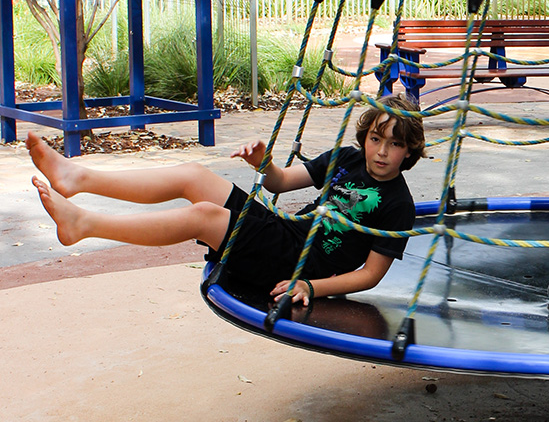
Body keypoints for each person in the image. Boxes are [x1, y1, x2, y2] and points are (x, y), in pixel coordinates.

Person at [28, 94, 425, 306]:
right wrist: (263, 162)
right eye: (376, 138)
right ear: (365, 137)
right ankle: (77, 178)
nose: (381, 151)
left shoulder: (398, 204)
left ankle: (84, 224)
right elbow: (281, 182)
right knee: (193, 175)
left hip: (297, 263)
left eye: (394, 144)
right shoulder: (348, 158)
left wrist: (309, 286)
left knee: (204, 216)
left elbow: (370, 275)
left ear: (409, 151)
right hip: (284, 233)